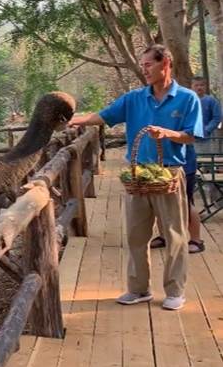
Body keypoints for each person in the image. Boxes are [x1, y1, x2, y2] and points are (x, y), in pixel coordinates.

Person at [69, 44, 203, 311]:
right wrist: (75, 120)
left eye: (148, 65)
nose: (144, 70)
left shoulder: (187, 98)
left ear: (165, 63)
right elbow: (103, 116)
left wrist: (168, 133)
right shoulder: (133, 99)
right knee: (135, 235)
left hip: (169, 175)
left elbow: (192, 135)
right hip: (137, 175)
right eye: (142, 66)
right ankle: (139, 289)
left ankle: (175, 292)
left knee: (175, 236)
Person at [151, 76, 220, 253]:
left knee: (186, 202)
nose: (199, 88)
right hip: (162, 161)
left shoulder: (202, 101)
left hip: (186, 160)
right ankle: (164, 235)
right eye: (196, 84)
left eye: (202, 85)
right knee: (160, 201)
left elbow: (215, 118)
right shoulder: (165, 106)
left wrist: (204, 130)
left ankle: (196, 240)